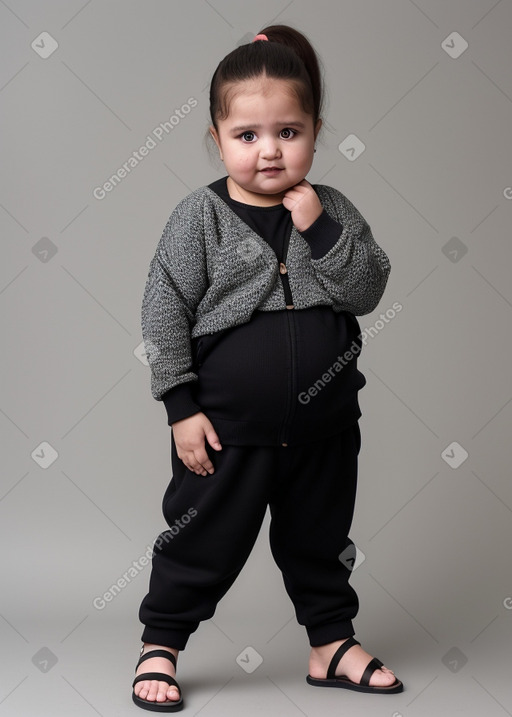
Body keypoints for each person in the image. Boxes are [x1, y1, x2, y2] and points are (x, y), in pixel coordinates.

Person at [132, 24, 403, 712]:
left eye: (289, 130)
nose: (270, 149)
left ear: (315, 130)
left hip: (325, 422)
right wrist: (180, 407)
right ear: (217, 137)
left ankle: (329, 642)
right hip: (226, 427)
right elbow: (163, 311)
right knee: (203, 537)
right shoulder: (199, 217)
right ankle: (160, 639)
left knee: (321, 536)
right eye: (248, 135)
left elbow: (367, 288)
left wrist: (320, 230)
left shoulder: (332, 210)